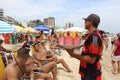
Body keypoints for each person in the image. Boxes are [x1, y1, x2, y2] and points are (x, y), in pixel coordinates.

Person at [61, 14, 103, 80]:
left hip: (91, 74)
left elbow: (92, 60)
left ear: (91, 22)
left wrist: (73, 54)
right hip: (87, 71)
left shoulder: (94, 37)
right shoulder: (91, 34)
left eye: (86, 20)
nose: (84, 22)